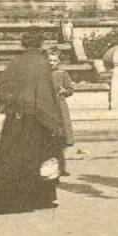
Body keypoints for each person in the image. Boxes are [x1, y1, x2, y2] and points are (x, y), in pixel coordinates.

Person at [0, 30, 66, 214]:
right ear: (40, 43)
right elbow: (44, 95)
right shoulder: (41, 63)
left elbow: (3, 87)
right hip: (35, 118)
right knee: (36, 157)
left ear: (24, 44)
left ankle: (1, 199)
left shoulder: (14, 62)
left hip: (15, 118)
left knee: (10, 156)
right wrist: (55, 123)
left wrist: (10, 107)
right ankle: (35, 199)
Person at [46, 45, 74, 175]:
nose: (52, 63)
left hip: (60, 108)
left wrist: (65, 91)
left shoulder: (63, 74)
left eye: (54, 60)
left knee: (61, 139)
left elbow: (70, 89)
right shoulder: (42, 74)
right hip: (47, 108)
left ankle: (62, 168)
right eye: (49, 60)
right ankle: (49, 167)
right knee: (48, 139)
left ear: (59, 61)